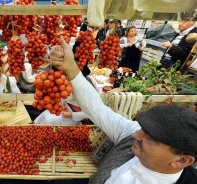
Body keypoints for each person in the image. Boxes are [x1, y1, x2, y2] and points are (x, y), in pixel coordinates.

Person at [50, 36, 197, 184]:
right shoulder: (133, 139)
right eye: (143, 129)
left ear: (182, 160)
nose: (136, 134)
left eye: (150, 138)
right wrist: (71, 68)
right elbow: (98, 109)